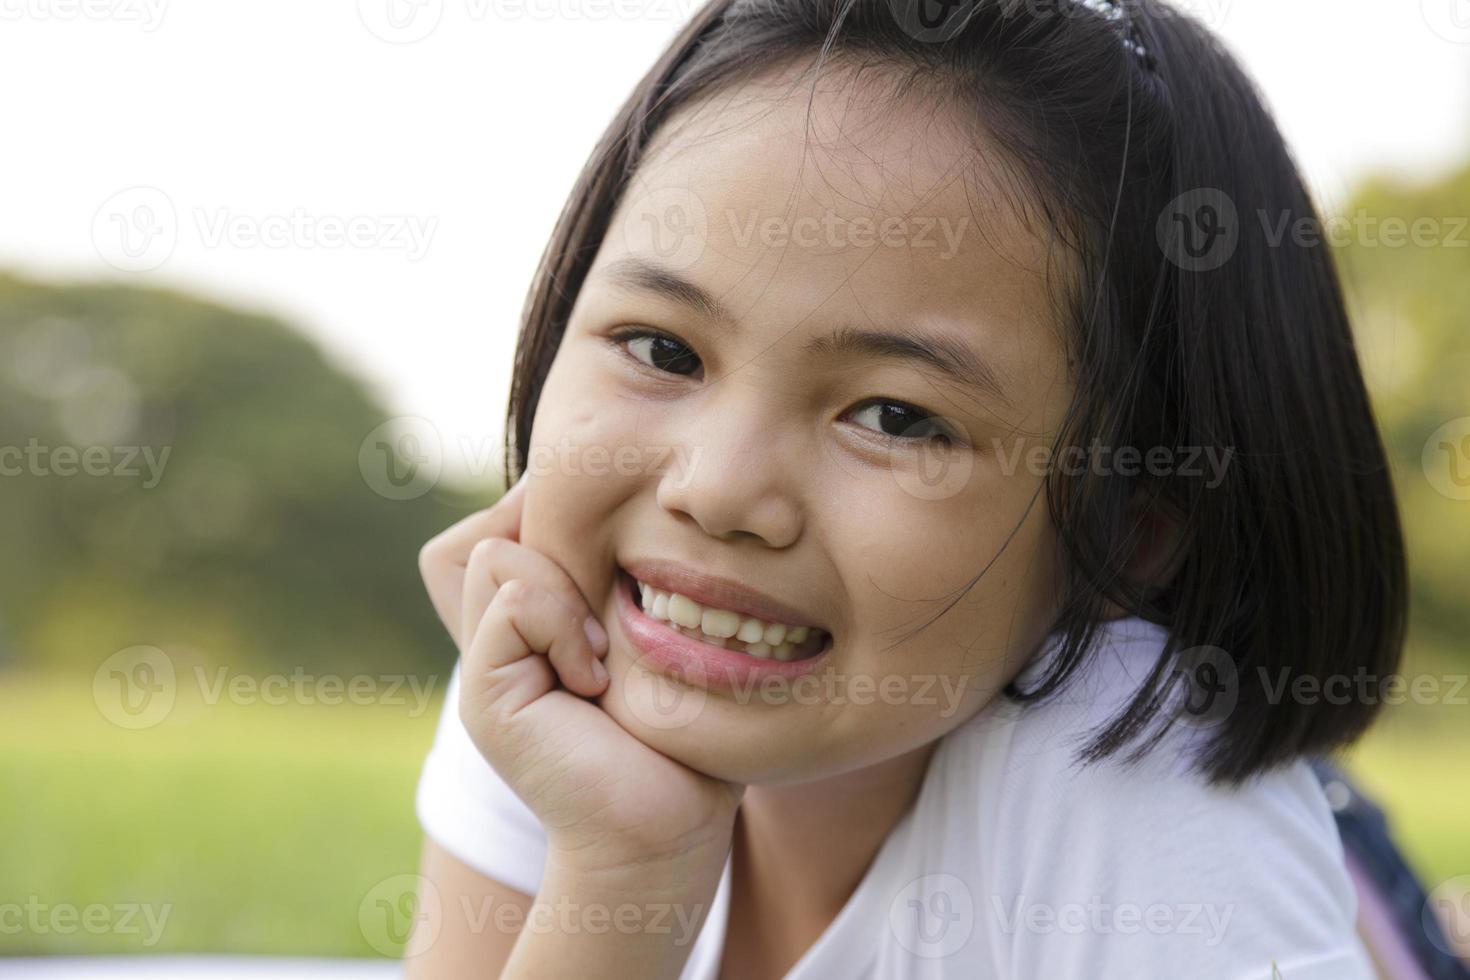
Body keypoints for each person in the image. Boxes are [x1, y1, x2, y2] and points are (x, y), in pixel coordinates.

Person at [407, 0, 1422, 975]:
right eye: (661, 346)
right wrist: (626, 866)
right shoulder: (553, 676)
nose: (715, 491)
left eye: (896, 415)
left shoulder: (1137, 807)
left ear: (1128, 529)